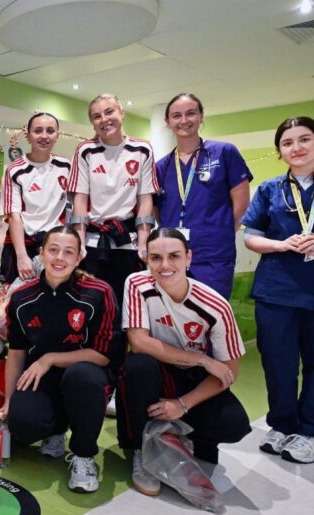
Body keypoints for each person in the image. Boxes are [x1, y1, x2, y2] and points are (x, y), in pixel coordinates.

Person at [120, 228, 250, 496]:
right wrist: (202, 358)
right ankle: (141, 452)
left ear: (188, 258)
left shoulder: (216, 305)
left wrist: (182, 404)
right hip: (156, 370)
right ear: (146, 259)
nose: (165, 265)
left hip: (190, 378)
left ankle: (183, 435)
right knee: (137, 366)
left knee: (233, 422)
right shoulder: (136, 283)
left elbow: (229, 373)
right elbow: (140, 342)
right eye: (155, 258)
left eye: (174, 256)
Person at [0, 226, 122, 493]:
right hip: (43, 376)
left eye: (68, 252)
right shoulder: (21, 298)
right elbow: (16, 353)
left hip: (88, 374)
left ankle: (84, 455)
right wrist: (8, 402)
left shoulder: (99, 292)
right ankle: (55, 430)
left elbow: (103, 354)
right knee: (22, 422)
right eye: (53, 250)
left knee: (81, 377)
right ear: (41, 253)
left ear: (78, 258)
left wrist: (50, 358)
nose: (59, 258)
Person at [243, 116, 314, 464]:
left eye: (305, 139)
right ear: (279, 151)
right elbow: (251, 236)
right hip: (277, 291)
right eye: (288, 143)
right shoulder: (270, 189)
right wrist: (282, 244)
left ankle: (309, 431)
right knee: (278, 364)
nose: (296, 148)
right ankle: (282, 425)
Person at [155, 93, 252, 298]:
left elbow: (241, 200)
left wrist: (222, 230)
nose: (184, 120)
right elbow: (157, 210)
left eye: (191, 113)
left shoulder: (224, 152)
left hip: (212, 254)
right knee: (173, 318)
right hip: (171, 255)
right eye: (176, 115)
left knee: (211, 316)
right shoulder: (161, 167)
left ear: (201, 116)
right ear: (168, 122)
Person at [69, 93, 157, 307]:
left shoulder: (142, 149)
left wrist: (144, 243)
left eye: (109, 112)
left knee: (124, 305)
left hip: (126, 240)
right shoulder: (85, 150)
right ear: (92, 123)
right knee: (90, 303)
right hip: (92, 241)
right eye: (96, 116)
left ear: (121, 113)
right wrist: (79, 241)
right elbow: (80, 199)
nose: (104, 120)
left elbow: (145, 199)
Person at [1, 112, 72, 284]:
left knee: (53, 298)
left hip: (55, 244)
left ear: (57, 136)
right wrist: (22, 256)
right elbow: (14, 216)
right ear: (28, 135)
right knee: (13, 299)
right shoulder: (15, 170)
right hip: (22, 242)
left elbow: (76, 205)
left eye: (50, 131)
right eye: (38, 131)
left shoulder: (66, 166)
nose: (44, 136)